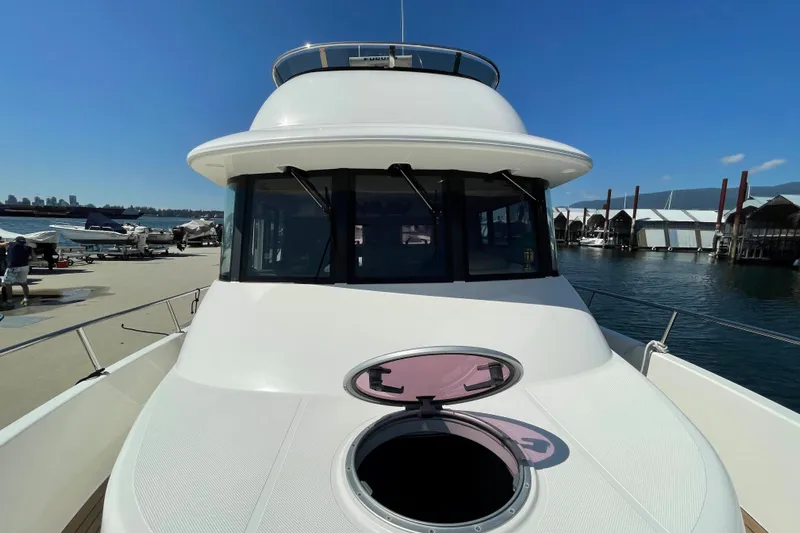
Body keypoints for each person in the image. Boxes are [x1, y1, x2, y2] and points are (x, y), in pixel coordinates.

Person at [0, 236, 34, 306]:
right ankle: (26, 299)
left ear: (16, 241)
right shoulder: (29, 248)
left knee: (8, 283)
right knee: (23, 283)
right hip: (24, 267)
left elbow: (1, 245)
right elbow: (34, 258)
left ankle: (9, 301)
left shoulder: (11, 244)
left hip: (13, 266)